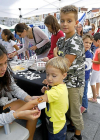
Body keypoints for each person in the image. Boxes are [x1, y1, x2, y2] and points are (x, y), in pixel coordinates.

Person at [53, 5, 85, 140]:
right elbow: (59, 58)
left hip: (74, 83)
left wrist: (55, 57)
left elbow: (64, 64)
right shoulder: (61, 39)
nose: (65, 24)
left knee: (75, 110)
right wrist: (56, 57)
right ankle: (71, 125)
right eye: (62, 20)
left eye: (69, 21)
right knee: (68, 108)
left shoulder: (76, 41)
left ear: (76, 23)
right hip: (64, 81)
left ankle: (78, 135)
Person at [23, 56, 69, 140]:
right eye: (47, 74)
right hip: (58, 122)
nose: (49, 78)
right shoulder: (59, 86)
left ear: (64, 75)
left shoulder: (56, 92)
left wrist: (19, 111)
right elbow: (54, 96)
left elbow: (37, 101)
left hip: (55, 128)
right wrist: (47, 91)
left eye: (54, 76)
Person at [81, 34, 93, 113]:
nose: (88, 44)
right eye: (86, 42)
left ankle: (85, 107)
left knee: (84, 93)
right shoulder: (81, 52)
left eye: (89, 43)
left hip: (85, 77)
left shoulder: (89, 54)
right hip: (80, 77)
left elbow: (87, 67)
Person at [88, 33, 100, 103]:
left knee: (92, 82)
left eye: (94, 42)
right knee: (98, 81)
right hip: (98, 69)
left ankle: (94, 98)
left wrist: (92, 61)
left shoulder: (98, 50)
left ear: (98, 41)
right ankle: (97, 93)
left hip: (96, 69)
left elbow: (99, 61)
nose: (93, 44)